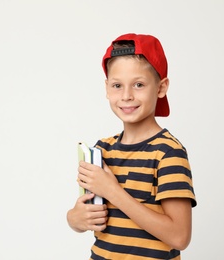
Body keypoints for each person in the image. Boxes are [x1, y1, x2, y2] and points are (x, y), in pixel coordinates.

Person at [66, 33, 197, 260]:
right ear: (107, 89)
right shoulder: (101, 150)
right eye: (117, 85)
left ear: (161, 87)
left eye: (138, 84)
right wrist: (74, 219)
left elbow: (179, 237)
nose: (126, 96)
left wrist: (113, 191)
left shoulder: (168, 153)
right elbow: (88, 215)